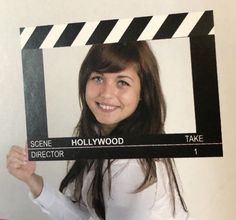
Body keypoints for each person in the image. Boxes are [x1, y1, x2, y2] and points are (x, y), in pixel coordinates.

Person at [6, 41, 189, 219]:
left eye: (122, 82)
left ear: (142, 92)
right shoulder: (100, 139)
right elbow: (86, 216)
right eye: (98, 78)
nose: (106, 93)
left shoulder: (131, 164)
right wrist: (31, 179)